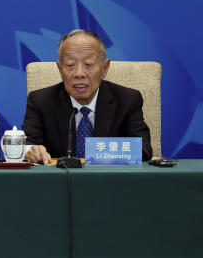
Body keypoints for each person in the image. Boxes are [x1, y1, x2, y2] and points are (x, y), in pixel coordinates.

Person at [22, 29, 152, 164]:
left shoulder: (127, 100)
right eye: (70, 65)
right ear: (60, 69)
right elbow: (27, 144)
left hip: (110, 182)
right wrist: (33, 151)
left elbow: (143, 149)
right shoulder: (41, 101)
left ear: (104, 69)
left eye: (88, 64)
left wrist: (98, 155)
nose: (79, 73)